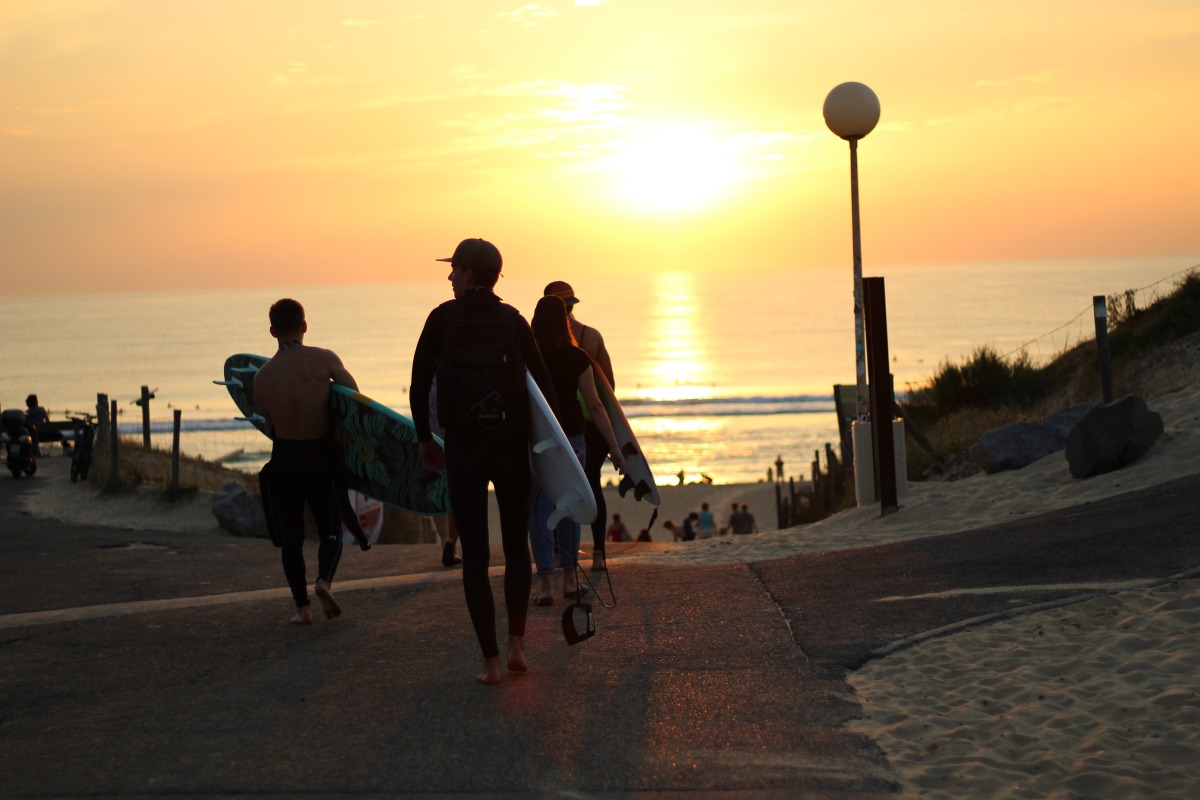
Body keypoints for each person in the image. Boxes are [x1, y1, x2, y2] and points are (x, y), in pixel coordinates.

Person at [410, 238, 556, 686]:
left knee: (474, 555)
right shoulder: (513, 321)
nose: (449, 276)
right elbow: (545, 389)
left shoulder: (442, 319)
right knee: (516, 548)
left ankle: (490, 663)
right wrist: (541, 450)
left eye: (454, 269)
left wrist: (425, 440)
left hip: (465, 450)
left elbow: (417, 386)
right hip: (510, 448)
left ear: (470, 274)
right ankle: (516, 646)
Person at [253, 299, 358, 626]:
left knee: (291, 536)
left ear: (272, 331)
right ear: (305, 325)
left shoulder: (262, 377)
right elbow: (355, 403)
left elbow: (269, 424)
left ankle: (302, 610)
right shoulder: (324, 360)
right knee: (330, 528)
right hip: (319, 458)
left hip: (284, 460)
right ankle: (324, 582)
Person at [528, 295, 625, 607]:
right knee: (570, 508)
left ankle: (547, 585)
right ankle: (570, 581)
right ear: (564, 321)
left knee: (540, 509)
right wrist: (614, 447)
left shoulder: (527, 359)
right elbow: (595, 406)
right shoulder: (578, 357)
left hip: (539, 442)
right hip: (574, 442)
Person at [544, 280, 615, 574]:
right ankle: (598, 553)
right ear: (572, 306)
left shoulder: (539, 343)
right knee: (592, 484)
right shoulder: (593, 337)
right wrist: (614, 437)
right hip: (590, 426)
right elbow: (609, 387)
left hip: (556, 427)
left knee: (558, 490)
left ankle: (562, 555)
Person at [427, 377, 460, 568]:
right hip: (455, 442)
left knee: (439, 494)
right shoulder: (454, 373)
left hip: (432, 442)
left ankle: (444, 540)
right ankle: (452, 546)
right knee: (456, 495)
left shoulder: (428, 382)